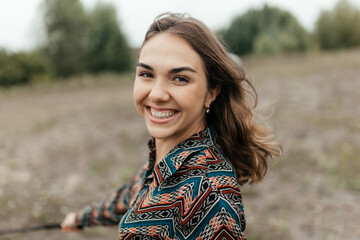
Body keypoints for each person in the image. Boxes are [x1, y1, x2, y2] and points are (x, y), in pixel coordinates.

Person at [61, 12, 281, 239]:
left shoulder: (209, 197)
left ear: (211, 92)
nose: (156, 94)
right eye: (147, 74)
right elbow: (128, 197)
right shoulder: (161, 160)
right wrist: (80, 218)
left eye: (180, 78)